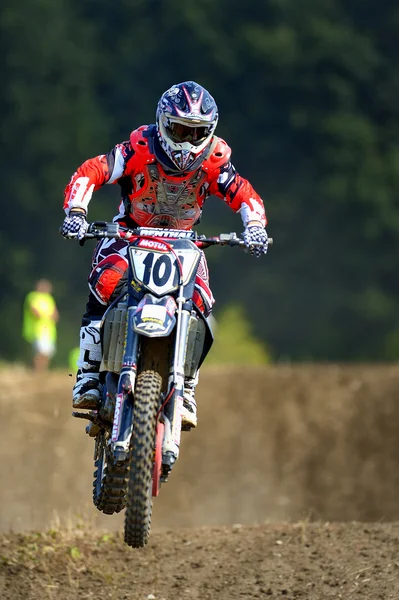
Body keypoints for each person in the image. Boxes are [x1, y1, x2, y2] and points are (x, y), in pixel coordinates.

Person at [60, 80, 268, 428]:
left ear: (210, 132)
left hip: (185, 244)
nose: (187, 141)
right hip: (128, 233)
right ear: (162, 123)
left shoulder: (215, 161)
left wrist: (255, 227)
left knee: (201, 301)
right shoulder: (138, 149)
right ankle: (89, 374)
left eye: (196, 132)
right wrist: (76, 213)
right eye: (179, 130)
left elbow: (244, 195)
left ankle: (185, 387)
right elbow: (92, 171)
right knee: (107, 281)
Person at [22, 279, 59, 371]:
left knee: (47, 353)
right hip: (38, 329)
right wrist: (47, 316)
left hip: (49, 331)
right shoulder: (33, 296)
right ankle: (37, 370)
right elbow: (34, 312)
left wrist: (48, 316)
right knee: (40, 352)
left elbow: (55, 315)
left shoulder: (49, 298)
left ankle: (43, 370)